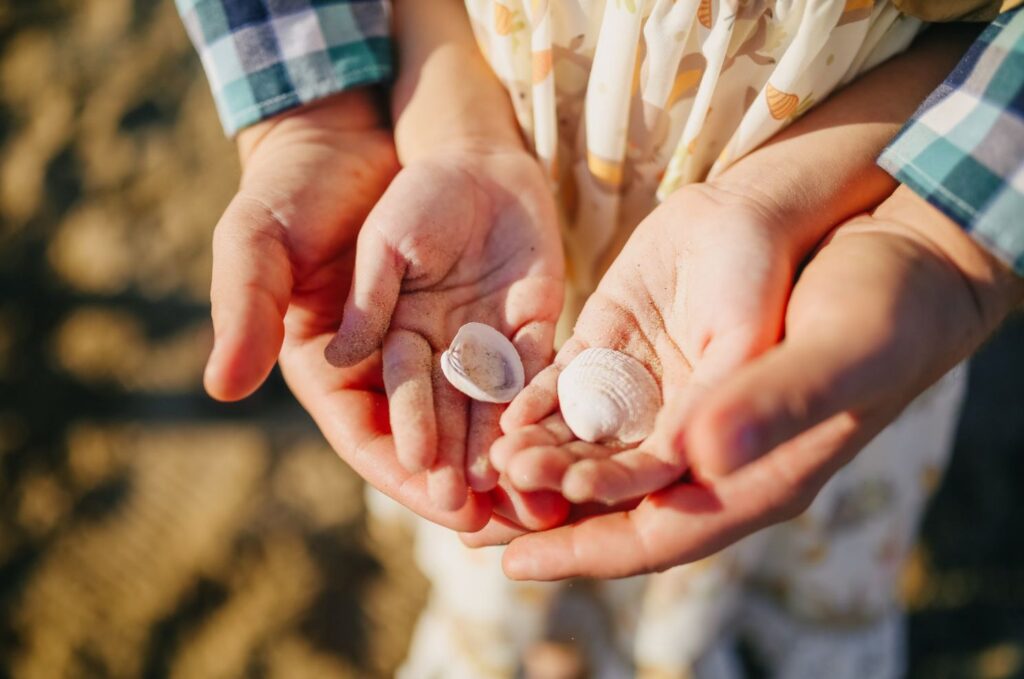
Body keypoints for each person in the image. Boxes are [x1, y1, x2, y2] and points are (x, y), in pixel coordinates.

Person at [176, 0, 1023, 676]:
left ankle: (687, 646)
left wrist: (941, 241)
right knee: (503, 502)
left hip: (811, 254)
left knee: (741, 504)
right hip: (511, 223)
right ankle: (559, 644)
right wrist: (357, 119)